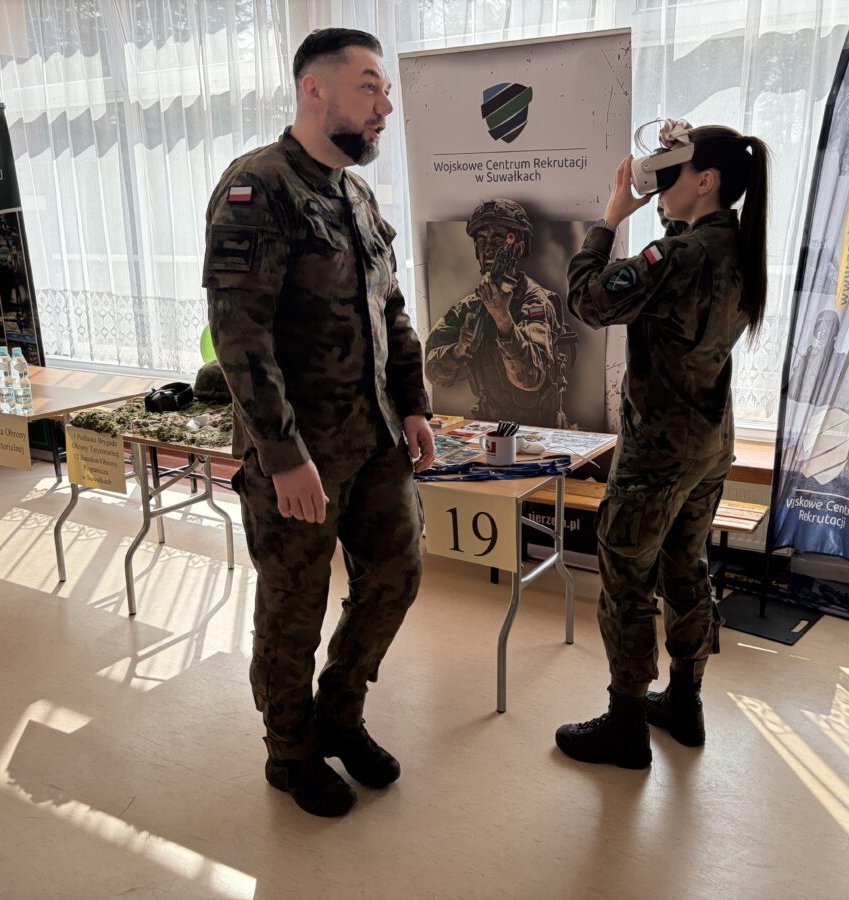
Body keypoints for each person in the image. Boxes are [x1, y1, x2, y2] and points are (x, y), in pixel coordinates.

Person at [204, 28, 435, 818]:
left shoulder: (356, 195)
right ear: (315, 89)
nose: (385, 106)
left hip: (375, 440)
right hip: (299, 452)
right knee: (293, 604)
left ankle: (340, 712)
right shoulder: (257, 188)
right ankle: (290, 749)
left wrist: (413, 404)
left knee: (397, 575)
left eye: (385, 91)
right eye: (370, 86)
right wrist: (282, 455)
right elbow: (240, 336)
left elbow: (391, 310)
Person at [555, 121, 770, 768]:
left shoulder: (678, 256)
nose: (661, 184)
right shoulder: (736, 246)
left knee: (626, 575)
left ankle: (625, 723)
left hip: (657, 451)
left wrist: (610, 218)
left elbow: (589, 299)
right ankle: (684, 699)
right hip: (709, 442)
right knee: (686, 567)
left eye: (674, 173)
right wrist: (670, 167)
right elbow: (677, 261)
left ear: (706, 182)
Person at [424, 199, 575, 428]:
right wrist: (458, 350)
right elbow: (434, 375)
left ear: (518, 248)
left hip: (540, 431)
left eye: (497, 241)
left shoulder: (536, 302)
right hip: (489, 428)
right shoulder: (470, 306)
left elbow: (530, 379)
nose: (488, 249)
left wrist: (503, 319)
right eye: (482, 241)